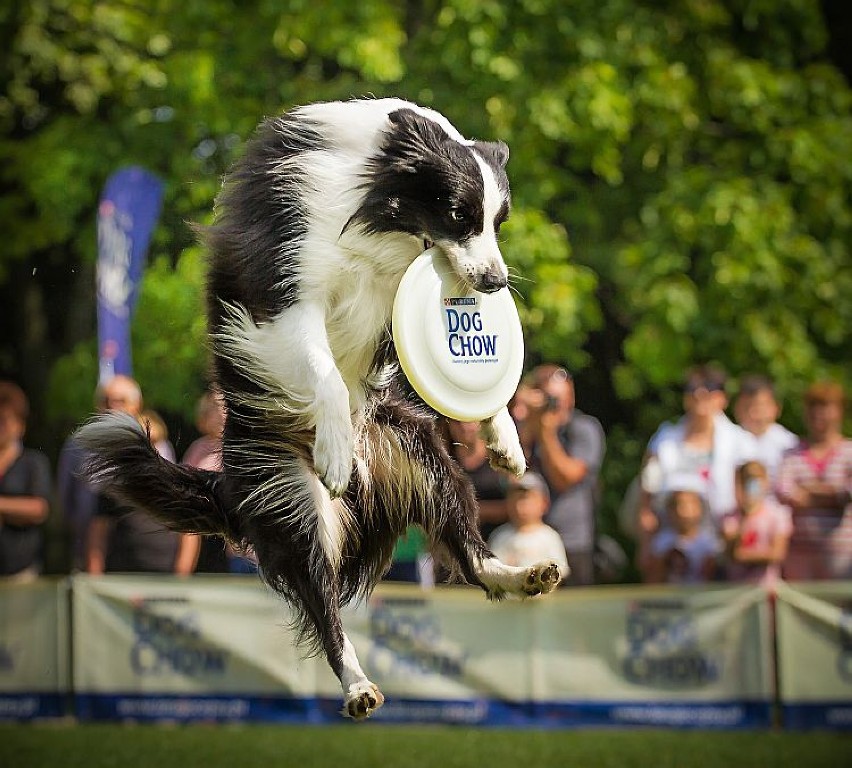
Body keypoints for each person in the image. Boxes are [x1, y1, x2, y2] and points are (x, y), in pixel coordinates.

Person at [86, 375, 199, 575]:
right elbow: (98, 529)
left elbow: (188, 528)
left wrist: (182, 574)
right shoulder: (102, 469)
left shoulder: (171, 474)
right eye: (106, 401)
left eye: (120, 401)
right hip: (121, 576)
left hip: (165, 577)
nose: (112, 407)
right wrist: (95, 577)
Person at [637, 364, 758, 537]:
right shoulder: (665, 437)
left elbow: (753, 485)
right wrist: (645, 514)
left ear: (723, 398)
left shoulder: (741, 441)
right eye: (692, 388)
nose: (700, 394)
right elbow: (649, 479)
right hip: (670, 536)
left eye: (709, 387)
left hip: (723, 534)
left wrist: (743, 521)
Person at [511, 365, 605, 586]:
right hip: (528, 541)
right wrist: (526, 420)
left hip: (573, 543)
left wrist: (546, 434)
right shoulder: (528, 427)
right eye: (549, 399)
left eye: (560, 398)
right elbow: (512, 475)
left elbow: (565, 479)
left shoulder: (584, 428)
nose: (557, 406)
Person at [776, 381, 852, 581]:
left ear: (839, 411)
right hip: (800, 554)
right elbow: (784, 491)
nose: (818, 414)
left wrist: (808, 492)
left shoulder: (849, 451)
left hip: (842, 554)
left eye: (825, 407)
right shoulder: (792, 453)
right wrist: (831, 497)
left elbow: (847, 493)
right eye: (813, 407)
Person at [0, 382, 52, 581]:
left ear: (20, 426)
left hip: (21, 570)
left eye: (5, 420)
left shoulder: (33, 462)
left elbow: (39, 509)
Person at [721, 460, 792, 588]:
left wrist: (743, 555)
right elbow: (730, 553)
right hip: (736, 591)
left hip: (767, 589)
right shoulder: (730, 518)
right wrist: (745, 517)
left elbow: (777, 554)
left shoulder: (778, 514)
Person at [487, 471, 569, 574]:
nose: (520, 506)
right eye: (515, 499)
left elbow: (559, 573)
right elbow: (493, 571)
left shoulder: (550, 537)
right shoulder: (500, 536)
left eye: (527, 500)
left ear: (544, 503)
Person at [640, 481, 720, 584]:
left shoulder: (708, 542)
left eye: (690, 505)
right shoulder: (661, 542)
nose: (683, 511)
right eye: (679, 505)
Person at [445, 418, 509, 541]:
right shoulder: (444, 463)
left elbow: (517, 506)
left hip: (500, 542)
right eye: (457, 422)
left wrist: (472, 511)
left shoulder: (502, 458)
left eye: (469, 420)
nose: (464, 427)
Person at [733, 374, 798, 488]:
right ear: (737, 408)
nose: (753, 413)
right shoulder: (728, 439)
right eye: (747, 406)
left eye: (759, 406)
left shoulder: (789, 444)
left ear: (776, 408)